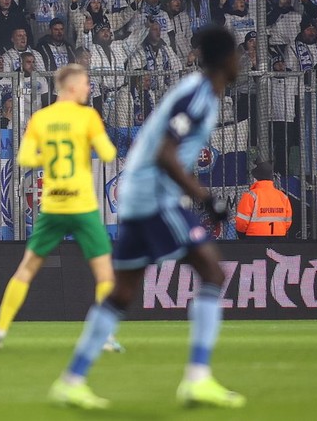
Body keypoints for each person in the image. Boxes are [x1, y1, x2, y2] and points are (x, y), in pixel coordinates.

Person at [49, 25, 244, 410]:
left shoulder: (199, 92)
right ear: (226, 60)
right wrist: (204, 197)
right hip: (155, 195)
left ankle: (71, 380)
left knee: (122, 293)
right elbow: (166, 154)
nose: (241, 62)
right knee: (212, 271)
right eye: (238, 55)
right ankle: (198, 378)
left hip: (138, 194)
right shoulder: (199, 96)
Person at [0, 64, 121, 352]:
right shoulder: (88, 116)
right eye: (85, 84)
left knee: (27, 268)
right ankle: (105, 338)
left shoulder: (41, 118)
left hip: (53, 204)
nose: (88, 89)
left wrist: (49, 152)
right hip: (82, 204)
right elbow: (108, 153)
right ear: (71, 87)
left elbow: (26, 160)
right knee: (105, 273)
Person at [234, 161, 292, 238]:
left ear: (255, 178)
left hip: (254, 238)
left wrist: (242, 235)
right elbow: (287, 222)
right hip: (279, 237)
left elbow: (242, 222)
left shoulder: (250, 196)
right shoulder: (282, 196)